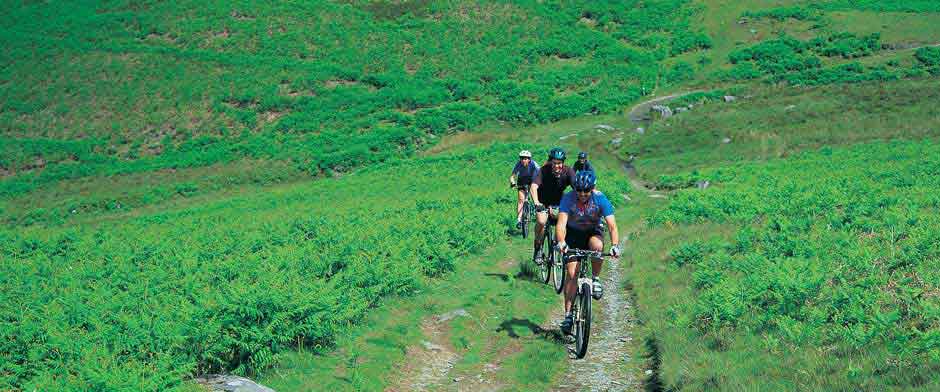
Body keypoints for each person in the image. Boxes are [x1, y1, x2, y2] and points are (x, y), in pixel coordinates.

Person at [555, 170, 621, 335]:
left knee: (597, 245)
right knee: (571, 274)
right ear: (575, 189)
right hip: (573, 235)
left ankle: (596, 279)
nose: (582, 194)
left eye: (586, 191)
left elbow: (612, 225)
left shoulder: (600, 198)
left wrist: (615, 245)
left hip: (593, 232)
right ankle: (568, 315)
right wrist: (562, 242)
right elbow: (561, 224)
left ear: (593, 188)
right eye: (579, 190)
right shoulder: (568, 198)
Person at [531, 147, 576, 264]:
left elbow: (577, 188)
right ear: (551, 162)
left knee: (565, 224)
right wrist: (536, 203)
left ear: (563, 163)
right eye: (555, 163)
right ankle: (538, 247)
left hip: (559, 202)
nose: (557, 166)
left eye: (560, 163)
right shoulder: (544, 170)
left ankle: (559, 246)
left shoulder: (568, 171)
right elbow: (534, 186)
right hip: (543, 202)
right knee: (541, 221)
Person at [509, 150, 539, 228]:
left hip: (533, 179)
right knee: (521, 200)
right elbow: (512, 176)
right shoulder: (518, 164)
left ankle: (537, 209)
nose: (523, 160)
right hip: (522, 180)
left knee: (533, 195)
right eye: (522, 158)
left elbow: (541, 173)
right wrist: (512, 182)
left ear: (529, 159)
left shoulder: (533, 164)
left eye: (525, 158)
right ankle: (519, 220)